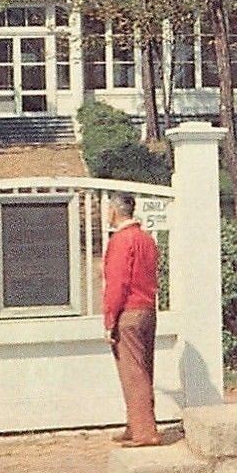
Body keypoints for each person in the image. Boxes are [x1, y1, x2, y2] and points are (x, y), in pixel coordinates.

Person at [102, 191, 161, 446]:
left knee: (133, 373)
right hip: (148, 309)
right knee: (144, 369)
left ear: (114, 211)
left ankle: (144, 432)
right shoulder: (146, 239)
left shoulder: (120, 241)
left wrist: (109, 320)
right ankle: (135, 424)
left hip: (128, 312)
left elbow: (117, 284)